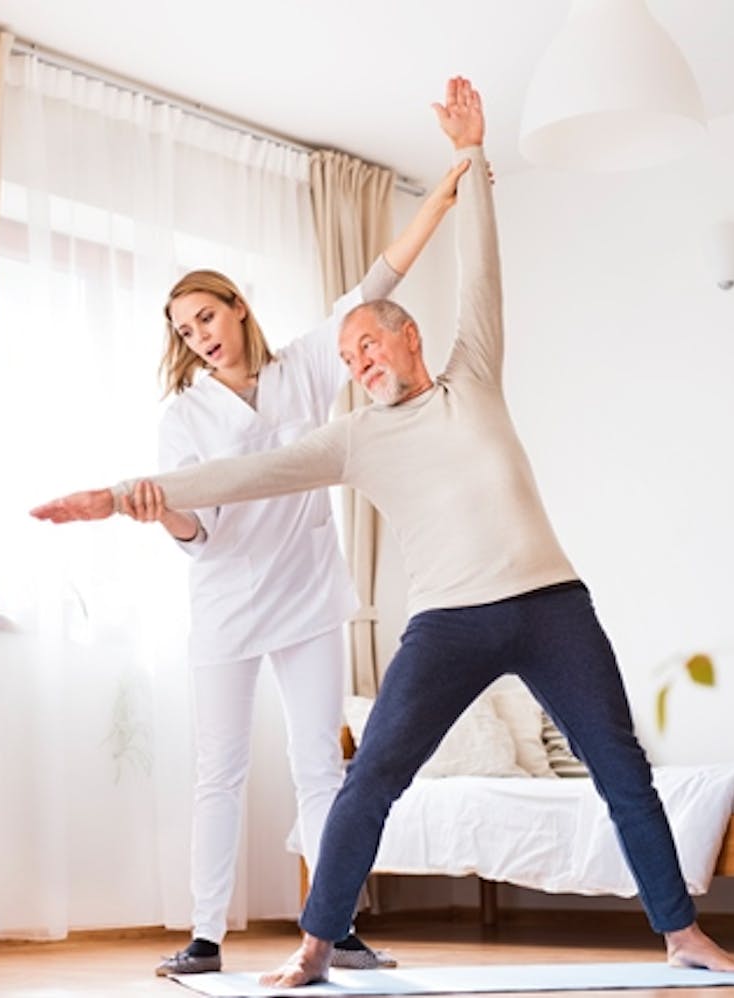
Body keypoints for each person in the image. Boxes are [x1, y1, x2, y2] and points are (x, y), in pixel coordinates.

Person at [31, 75, 734, 986]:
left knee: (620, 767)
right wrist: (118, 495)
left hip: (551, 607)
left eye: (368, 343)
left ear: (410, 337)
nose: (357, 360)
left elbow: (482, 266)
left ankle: (682, 934)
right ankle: (316, 945)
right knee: (370, 776)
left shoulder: (473, 374)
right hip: (448, 624)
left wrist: (471, 158)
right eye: (347, 356)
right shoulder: (353, 439)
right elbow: (239, 476)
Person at [138, 134, 469, 977]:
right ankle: (204, 936)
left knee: (320, 764)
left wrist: (441, 197)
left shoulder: (306, 367)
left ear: (237, 308)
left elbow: (376, 285)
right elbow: (198, 533)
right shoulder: (184, 418)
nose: (200, 336)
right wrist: (165, 514)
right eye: (185, 330)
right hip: (226, 605)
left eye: (206, 317)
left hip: (309, 596)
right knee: (219, 771)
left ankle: (335, 926)